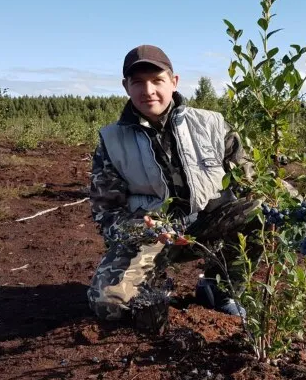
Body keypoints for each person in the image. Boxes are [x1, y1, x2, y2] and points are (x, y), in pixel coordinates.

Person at [86, 45, 262, 323]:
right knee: (109, 305)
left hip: (208, 223)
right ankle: (152, 285)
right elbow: (106, 214)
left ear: (174, 82)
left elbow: (250, 182)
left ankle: (221, 289)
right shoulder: (112, 141)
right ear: (126, 87)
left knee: (265, 209)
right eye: (138, 82)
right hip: (152, 234)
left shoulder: (212, 124)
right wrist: (143, 229)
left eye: (157, 80)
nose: (148, 90)